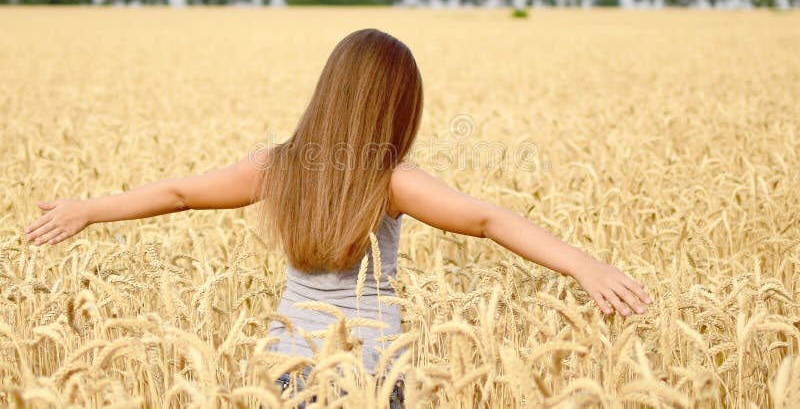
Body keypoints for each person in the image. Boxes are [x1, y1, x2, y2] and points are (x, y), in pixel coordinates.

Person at [22, 28, 653, 407]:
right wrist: (583, 263)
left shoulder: (278, 166)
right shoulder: (390, 181)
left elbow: (178, 192)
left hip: (287, 364)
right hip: (375, 372)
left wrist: (89, 209)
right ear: (400, 106)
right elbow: (487, 221)